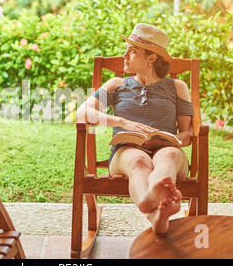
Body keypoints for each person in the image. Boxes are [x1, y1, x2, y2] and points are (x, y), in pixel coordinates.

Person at [76, 23, 194, 234]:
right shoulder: (116, 84)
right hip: (126, 152)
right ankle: (152, 203)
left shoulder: (177, 87)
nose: (124, 55)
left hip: (168, 150)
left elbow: (188, 133)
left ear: (152, 58)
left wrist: (172, 140)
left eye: (132, 51)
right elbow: (82, 113)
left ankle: (156, 214)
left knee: (166, 157)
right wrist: (122, 123)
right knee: (139, 161)